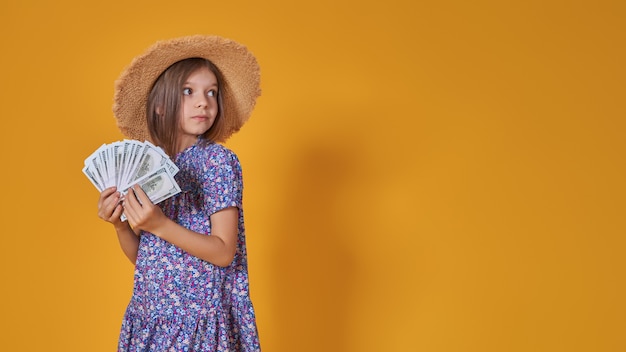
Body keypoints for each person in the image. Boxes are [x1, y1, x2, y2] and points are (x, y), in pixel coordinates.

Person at [96, 35, 262, 351]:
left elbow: (224, 252)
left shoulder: (217, 160)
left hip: (197, 323)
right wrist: (120, 225)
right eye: (189, 91)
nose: (204, 102)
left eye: (211, 92)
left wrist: (159, 224)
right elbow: (149, 259)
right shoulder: (148, 166)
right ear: (160, 105)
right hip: (151, 317)